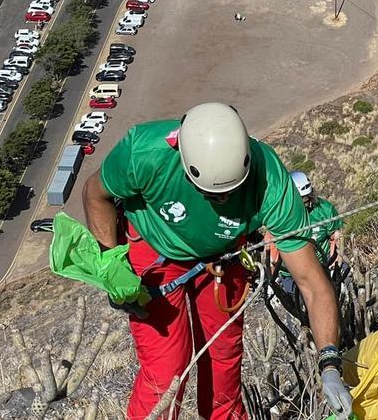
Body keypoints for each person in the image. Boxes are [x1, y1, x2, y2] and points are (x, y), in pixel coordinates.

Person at [82, 103, 352, 420]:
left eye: (231, 191)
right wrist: (111, 263)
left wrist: (330, 363)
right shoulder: (144, 152)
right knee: (167, 368)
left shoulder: (271, 183)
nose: (223, 200)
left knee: (224, 358)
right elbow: (94, 194)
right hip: (154, 250)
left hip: (223, 260)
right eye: (212, 193)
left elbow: (311, 282)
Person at [266, 171, 344, 301]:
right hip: (291, 273)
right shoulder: (280, 216)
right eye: (301, 200)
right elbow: (273, 247)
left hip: (322, 266)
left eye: (307, 199)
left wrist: (334, 264)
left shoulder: (324, 210)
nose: (305, 204)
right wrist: (272, 278)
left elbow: (336, 236)